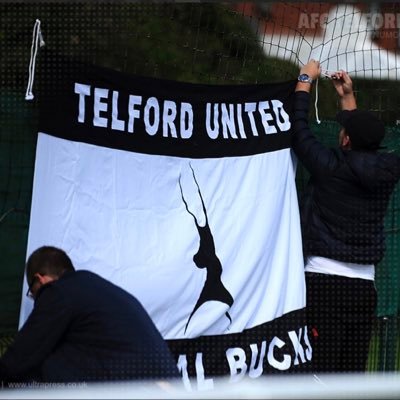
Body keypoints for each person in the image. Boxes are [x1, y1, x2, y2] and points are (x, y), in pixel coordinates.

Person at [292, 60, 400, 372]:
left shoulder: (331, 167)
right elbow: (360, 150)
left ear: (346, 140)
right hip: (365, 288)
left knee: (318, 376)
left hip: (324, 283)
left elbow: (299, 129)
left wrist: (304, 79)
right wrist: (347, 96)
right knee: (350, 379)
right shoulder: (388, 171)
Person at [0, 246, 179, 384]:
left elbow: (21, 356)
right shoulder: (95, 288)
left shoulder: (58, 292)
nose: (36, 299)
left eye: (33, 293)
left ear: (40, 279)